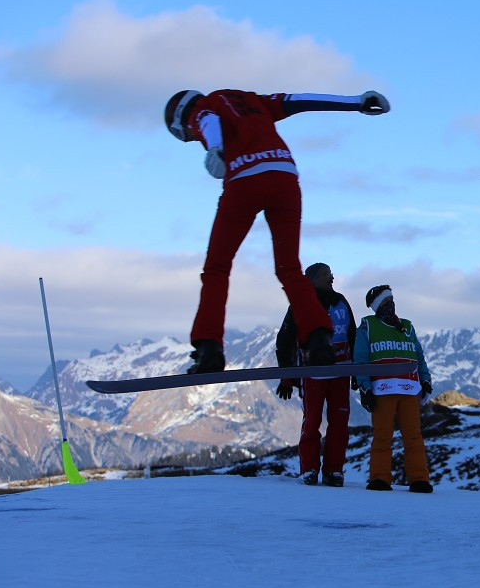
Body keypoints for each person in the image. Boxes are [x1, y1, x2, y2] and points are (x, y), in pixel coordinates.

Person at [163, 88, 389, 374]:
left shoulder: (203, 108)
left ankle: (209, 349)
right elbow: (299, 101)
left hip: (245, 180)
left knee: (217, 269)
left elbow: (208, 122)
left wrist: (216, 149)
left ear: (180, 119)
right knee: (289, 268)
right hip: (285, 177)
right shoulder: (251, 99)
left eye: (187, 135)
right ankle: (319, 341)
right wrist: (356, 102)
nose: (191, 135)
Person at [275, 262, 356, 486]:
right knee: (311, 422)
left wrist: (358, 372)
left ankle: (334, 470)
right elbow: (285, 341)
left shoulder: (341, 301)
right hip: (312, 373)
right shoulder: (301, 305)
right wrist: (287, 377)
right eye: (325, 274)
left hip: (341, 371)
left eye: (331, 273)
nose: (331, 277)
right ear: (312, 280)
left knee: (340, 423)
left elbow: (353, 335)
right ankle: (309, 468)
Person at [353, 285, 434, 493]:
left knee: (413, 436)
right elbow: (360, 360)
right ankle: (380, 478)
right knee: (382, 435)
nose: (391, 306)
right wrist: (365, 388)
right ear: (378, 306)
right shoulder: (368, 326)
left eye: (392, 301)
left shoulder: (407, 326)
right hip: (382, 389)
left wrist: (425, 380)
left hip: (409, 389)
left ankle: (419, 479)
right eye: (386, 303)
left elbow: (419, 357)